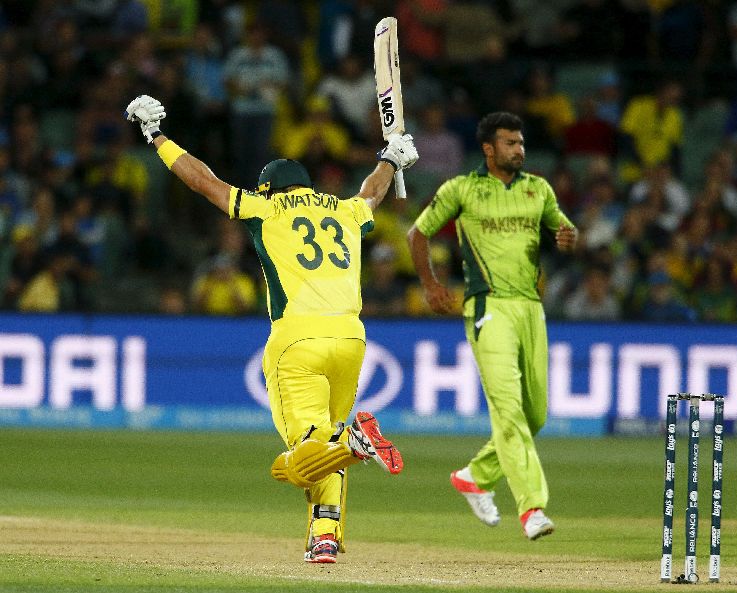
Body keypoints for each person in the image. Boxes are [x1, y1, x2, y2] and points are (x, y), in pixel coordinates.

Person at [123, 94, 418, 563]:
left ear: (269, 190)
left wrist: (156, 136)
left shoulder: (268, 210)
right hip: (352, 339)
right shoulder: (344, 211)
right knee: (322, 446)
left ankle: (353, 443)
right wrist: (391, 159)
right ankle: (325, 533)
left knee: (299, 460)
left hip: (297, 341)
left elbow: (204, 182)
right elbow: (371, 193)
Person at [406, 112, 578, 541]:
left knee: (535, 414)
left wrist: (568, 237)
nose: (519, 150)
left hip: (531, 309)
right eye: (510, 143)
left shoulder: (538, 189)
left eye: (521, 143)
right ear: (488, 149)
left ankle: (476, 477)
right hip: (488, 307)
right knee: (509, 410)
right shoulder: (461, 189)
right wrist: (431, 285)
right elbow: (417, 234)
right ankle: (532, 507)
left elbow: (563, 228)